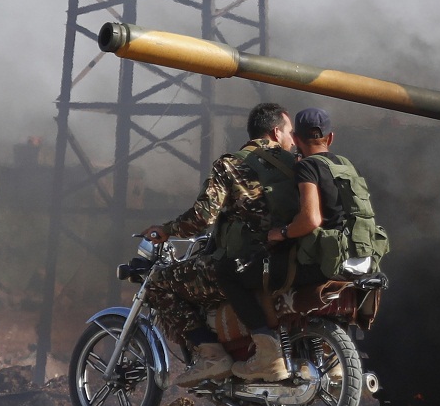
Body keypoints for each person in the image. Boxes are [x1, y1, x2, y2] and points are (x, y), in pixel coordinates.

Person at [139, 102, 298, 386]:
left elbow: (202, 217)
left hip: (243, 263)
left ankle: (211, 354)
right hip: (288, 260)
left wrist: (166, 230)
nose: (293, 140)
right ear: (276, 132)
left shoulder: (231, 164)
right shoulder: (297, 167)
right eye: (291, 133)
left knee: (159, 283)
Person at [266, 107, 390, 284]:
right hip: (366, 261)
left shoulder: (307, 167)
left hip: (332, 264)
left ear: (295, 138)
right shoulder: (348, 165)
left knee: (259, 272)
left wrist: (281, 233)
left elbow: (311, 219)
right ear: (330, 137)